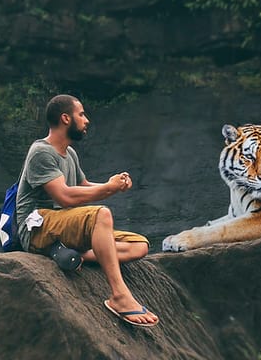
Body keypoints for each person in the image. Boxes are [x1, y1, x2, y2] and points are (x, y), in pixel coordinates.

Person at [14, 94, 159, 327]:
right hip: (37, 226)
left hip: (61, 224)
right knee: (101, 214)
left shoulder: (69, 153)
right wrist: (107, 190)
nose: (86, 120)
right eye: (81, 114)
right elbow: (65, 196)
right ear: (65, 118)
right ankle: (120, 296)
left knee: (139, 245)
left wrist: (113, 186)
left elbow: (83, 186)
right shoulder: (41, 152)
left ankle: (69, 253)